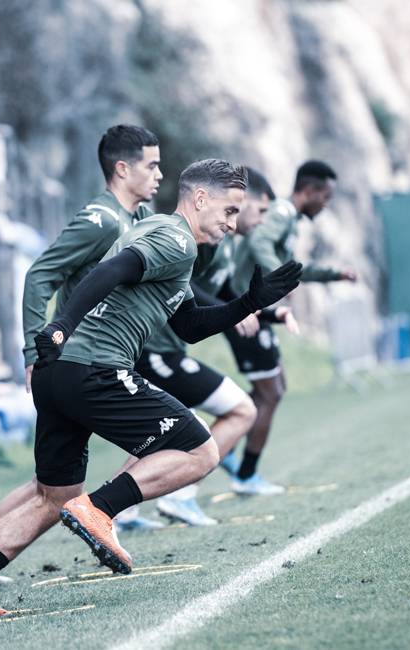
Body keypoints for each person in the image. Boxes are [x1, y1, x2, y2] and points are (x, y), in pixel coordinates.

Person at [0, 159, 302, 619]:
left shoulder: (164, 236)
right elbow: (109, 272)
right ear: (200, 198)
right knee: (201, 450)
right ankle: (101, 509)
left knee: (53, 497)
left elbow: (189, 325)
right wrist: (61, 325)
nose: (233, 224)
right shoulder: (176, 241)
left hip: (61, 373)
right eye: (229, 211)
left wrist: (249, 303)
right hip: (92, 368)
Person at [0, 124, 163, 573]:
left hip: (96, 363)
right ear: (122, 169)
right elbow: (39, 275)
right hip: (77, 366)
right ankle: (103, 514)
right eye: (152, 165)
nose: (160, 175)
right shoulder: (101, 220)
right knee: (171, 440)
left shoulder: (138, 220)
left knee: (47, 489)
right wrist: (33, 352)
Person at [131, 168, 300, 525]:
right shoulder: (195, 239)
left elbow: (223, 294)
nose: (259, 221)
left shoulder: (223, 242)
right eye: (259, 211)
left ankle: (119, 510)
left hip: (168, 349)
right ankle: (180, 495)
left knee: (164, 431)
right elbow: (184, 285)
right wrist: (58, 331)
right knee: (240, 409)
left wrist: (265, 311)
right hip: (155, 351)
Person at [221, 160, 356, 495]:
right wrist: (279, 278)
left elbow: (293, 268)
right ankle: (242, 472)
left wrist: (334, 274)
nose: (326, 205)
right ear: (308, 191)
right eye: (325, 197)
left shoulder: (288, 219)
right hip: (244, 311)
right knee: (272, 392)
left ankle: (225, 444)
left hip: (255, 311)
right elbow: (259, 243)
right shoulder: (281, 212)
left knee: (273, 388)